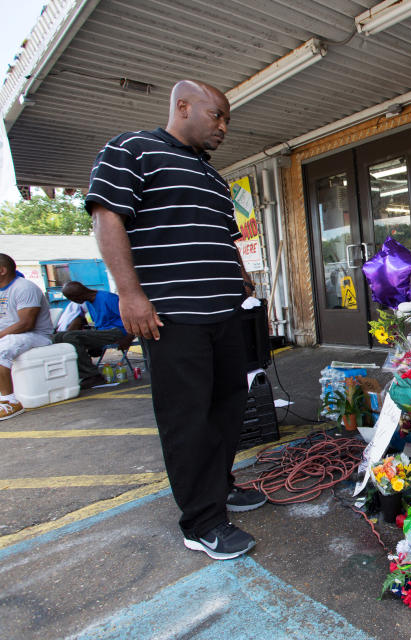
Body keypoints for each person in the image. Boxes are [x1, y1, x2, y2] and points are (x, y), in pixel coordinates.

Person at [85, 80, 266, 561]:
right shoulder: (133, 149)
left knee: (228, 408)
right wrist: (129, 293)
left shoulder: (213, 178)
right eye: (217, 115)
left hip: (225, 312)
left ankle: (219, 486)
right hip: (172, 315)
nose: (223, 127)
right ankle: (202, 523)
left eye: (227, 119)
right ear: (183, 106)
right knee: (188, 418)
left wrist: (242, 279)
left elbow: (226, 239)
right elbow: (107, 219)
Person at [0, 254, 54, 420]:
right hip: (11, 335)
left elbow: (26, 324)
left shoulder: (24, 287)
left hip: (36, 335)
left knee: (2, 347)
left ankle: (10, 402)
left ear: (2, 270)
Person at [53, 281, 131, 389]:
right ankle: (74, 373)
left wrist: (128, 338)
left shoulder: (107, 298)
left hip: (117, 331)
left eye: (70, 298)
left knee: (71, 337)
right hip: (103, 331)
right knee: (58, 337)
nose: (71, 301)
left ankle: (92, 375)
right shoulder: (88, 302)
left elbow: (131, 318)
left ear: (77, 297)